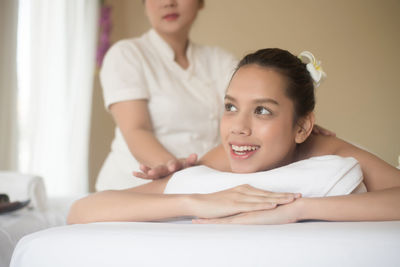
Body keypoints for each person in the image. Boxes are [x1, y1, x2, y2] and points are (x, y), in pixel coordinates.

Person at [68, 48, 400, 224]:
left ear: (302, 127)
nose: (238, 127)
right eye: (230, 107)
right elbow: (82, 211)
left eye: (263, 110)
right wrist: (196, 201)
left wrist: (296, 210)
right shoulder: (224, 158)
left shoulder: (330, 153)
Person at [96, 0, 238, 191]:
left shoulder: (221, 61)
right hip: (133, 189)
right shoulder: (126, 54)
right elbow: (136, 129)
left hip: (200, 187)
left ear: (200, 2)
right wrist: (174, 169)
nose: (168, 3)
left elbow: (241, 124)